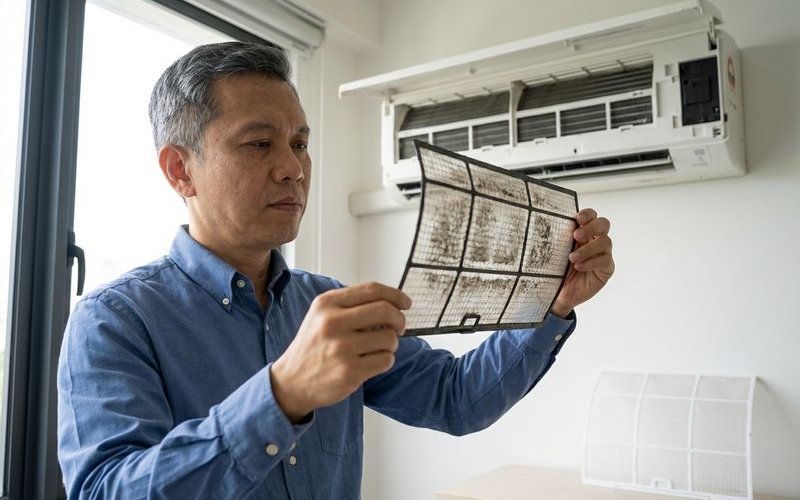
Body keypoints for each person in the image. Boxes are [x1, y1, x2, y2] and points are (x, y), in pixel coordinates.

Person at [57, 41, 614, 499]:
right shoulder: (113, 322)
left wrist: (551, 303)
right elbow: (106, 492)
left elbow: (456, 399)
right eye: (259, 143)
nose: (293, 168)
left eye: (300, 143)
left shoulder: (328, 306)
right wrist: (282, 394)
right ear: (180, 170)